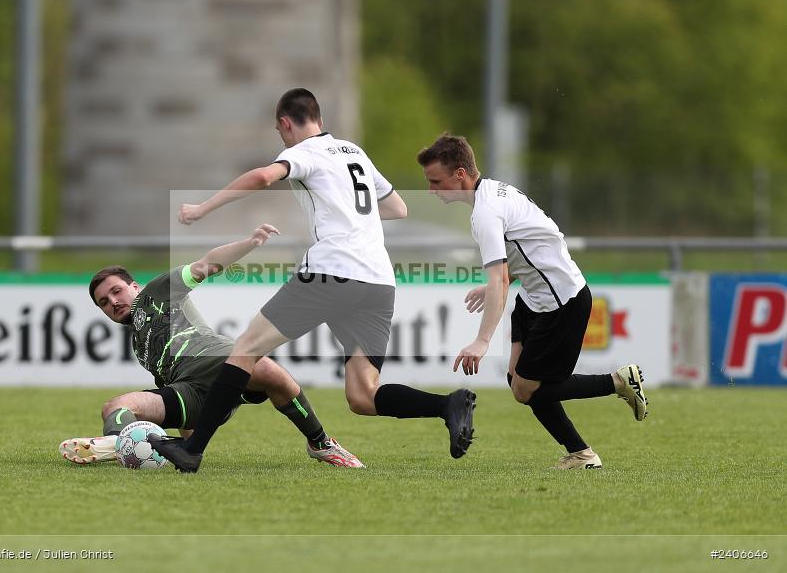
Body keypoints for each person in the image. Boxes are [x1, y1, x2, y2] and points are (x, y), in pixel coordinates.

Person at [150, 88, 477, 473]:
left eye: (279, 131)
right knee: (363, 394)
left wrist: (202, 208)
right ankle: (447, 404)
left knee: (245, 349)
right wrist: (350, 217)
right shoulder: (354, 152)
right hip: (378, 280)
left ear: (286, 123)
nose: (282, 138)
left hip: (332, 271)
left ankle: (193, 450)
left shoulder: (304, 152)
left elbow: (262, 176)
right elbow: (398, 207)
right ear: (318, 118)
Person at [417, 133, 648, 469]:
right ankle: (581, 454)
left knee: (528, 389)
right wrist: (500, 282)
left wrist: (482, 340)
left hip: (562, 302)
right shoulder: (494, 191)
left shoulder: (486, 212)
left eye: (436, 181)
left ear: (460, 175)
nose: (431, 190)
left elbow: (500, 277)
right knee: (518, 382)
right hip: (533, 297)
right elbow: (533, 246)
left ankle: (618, 382)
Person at [58, 223, 364, 468]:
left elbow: (207, 265)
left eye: (116, 291)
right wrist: (188, 444)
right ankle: (119, 443)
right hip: (190, 392)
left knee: (268, 371)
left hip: (218, 361)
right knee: (115, 406)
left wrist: (250, 243)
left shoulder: (157, 292)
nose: (112, 302)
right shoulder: (140, 344)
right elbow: (180, 406)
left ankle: (320, 443)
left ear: (134, 286)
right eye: (104, 302)